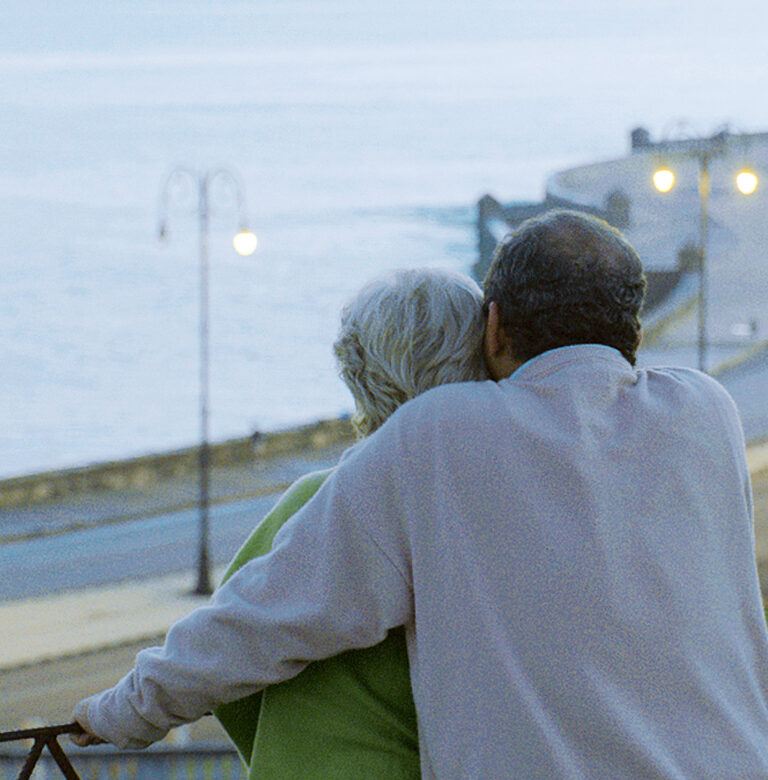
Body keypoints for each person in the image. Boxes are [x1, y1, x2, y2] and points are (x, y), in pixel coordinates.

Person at [73, 210, 768, 778]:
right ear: (635, 331)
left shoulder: (437, 436)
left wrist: (121, 713)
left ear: (493, 327)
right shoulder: (707, 414)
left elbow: (267, 617)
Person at [74, 267, 488, 779]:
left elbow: (236, 644)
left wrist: (120, 712)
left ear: (359, 375)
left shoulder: (329, 501)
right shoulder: (503, 501)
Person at [212, 267, 487, 778]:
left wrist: (279, 754)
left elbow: (225, 661)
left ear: (357, 374)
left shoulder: (318, 501)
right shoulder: (497, 507)